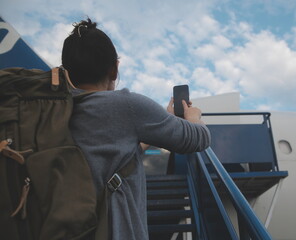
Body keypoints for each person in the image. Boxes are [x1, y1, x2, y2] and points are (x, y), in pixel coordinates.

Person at [62, 18, 211, 240]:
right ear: (114, 69)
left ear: (67, 71)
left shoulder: (56, 110)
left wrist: (159, 126)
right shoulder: (127, 106)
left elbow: (114, 156)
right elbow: (197, 139)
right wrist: (193, 117)